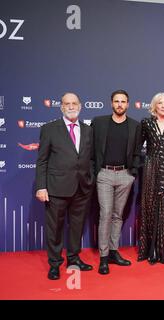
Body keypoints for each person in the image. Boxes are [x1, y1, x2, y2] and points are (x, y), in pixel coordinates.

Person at [35, 92, 94, 280]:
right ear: (61, 107)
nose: (70, 106)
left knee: (76, 227)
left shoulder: (87, 130)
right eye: (66, 103)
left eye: (74, 103)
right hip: (56, 188)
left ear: (80, 106)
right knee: (55, 229)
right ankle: (54, 264)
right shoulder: (49, 129)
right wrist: (41, 186)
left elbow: (89, 158)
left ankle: (73, 259)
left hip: (82, 188)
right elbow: (42, 161)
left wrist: (89, 179)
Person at [91, 89, 141, 274]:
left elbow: (137, 152)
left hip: (124, 175)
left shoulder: (135, 126)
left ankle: (113, 252)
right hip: (104, 174)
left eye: (123, 101)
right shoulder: (99, 123)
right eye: (116, 101)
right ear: (111, 103)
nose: (120, 104)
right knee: (106, 214)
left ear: (128, 104)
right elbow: (91, 150)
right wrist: (94, 173)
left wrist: (132, 174)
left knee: (117, 215)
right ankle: (103, 257)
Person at [138, 92, 164, 265]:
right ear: (154, 106)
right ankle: (150, 250)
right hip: (151, 167)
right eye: (160, 103)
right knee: (150, 206)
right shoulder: (146, 123)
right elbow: (139, 145)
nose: (163, 106)